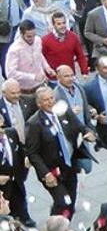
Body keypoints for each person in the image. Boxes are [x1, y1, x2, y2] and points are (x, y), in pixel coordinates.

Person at [24, 86, 95, 218]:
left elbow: (79, 126)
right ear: (39, 103)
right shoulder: (34, 124)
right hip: (51, 170)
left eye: (51, 98)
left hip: (69, 165)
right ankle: (54, 230)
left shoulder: (63, 111)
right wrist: (45, 174)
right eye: (46, 100)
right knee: (62, 202)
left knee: (70, 203)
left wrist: (88, 132)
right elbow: (33, 153)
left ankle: (63, 228)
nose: (50, 102)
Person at [5, 20, 55, 92]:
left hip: (41, 85)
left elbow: (40, 55)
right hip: (24, 91)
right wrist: (32, 77)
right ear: (21, 34)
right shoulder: (14, 49)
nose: (32, 38)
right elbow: (11, 73)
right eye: (29, 36)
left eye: (34, 35)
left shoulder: (37, 40)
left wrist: (47, 68)